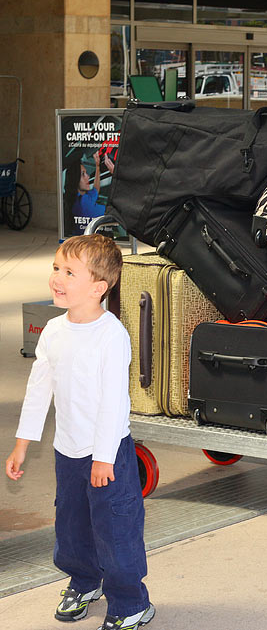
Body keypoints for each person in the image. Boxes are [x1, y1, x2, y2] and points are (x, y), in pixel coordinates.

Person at [5, 235, 155, 629]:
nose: (57, 278)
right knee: (70, 523)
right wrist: (22, 444)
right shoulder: (54, 331)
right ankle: (85, 581)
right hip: (67, 450)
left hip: (107, 451)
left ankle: (130, 602)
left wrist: (104, 456)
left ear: (98, 288)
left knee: (115, 528)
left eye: (69, 272)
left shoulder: (111, 335)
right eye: (56, 268)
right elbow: (40, 389)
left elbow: (114, 403)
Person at [72, 152, 108, 235]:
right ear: (75, 179)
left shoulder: (81, 198)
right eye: (83, 174)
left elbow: (95, 190)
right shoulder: (84, 205)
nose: (88, 176)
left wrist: (97, 166)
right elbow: (112, 214)